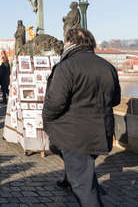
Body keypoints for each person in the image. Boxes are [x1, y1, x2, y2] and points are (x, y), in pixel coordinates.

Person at [43, 28, 121, 207]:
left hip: (74, 135)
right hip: (101, 132)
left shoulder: (66, 67)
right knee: (84, 174)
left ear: (70, 43)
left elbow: (54, 104)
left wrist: (46, 119)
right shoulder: (107, 66)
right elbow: (115, 100)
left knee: (83, 188)